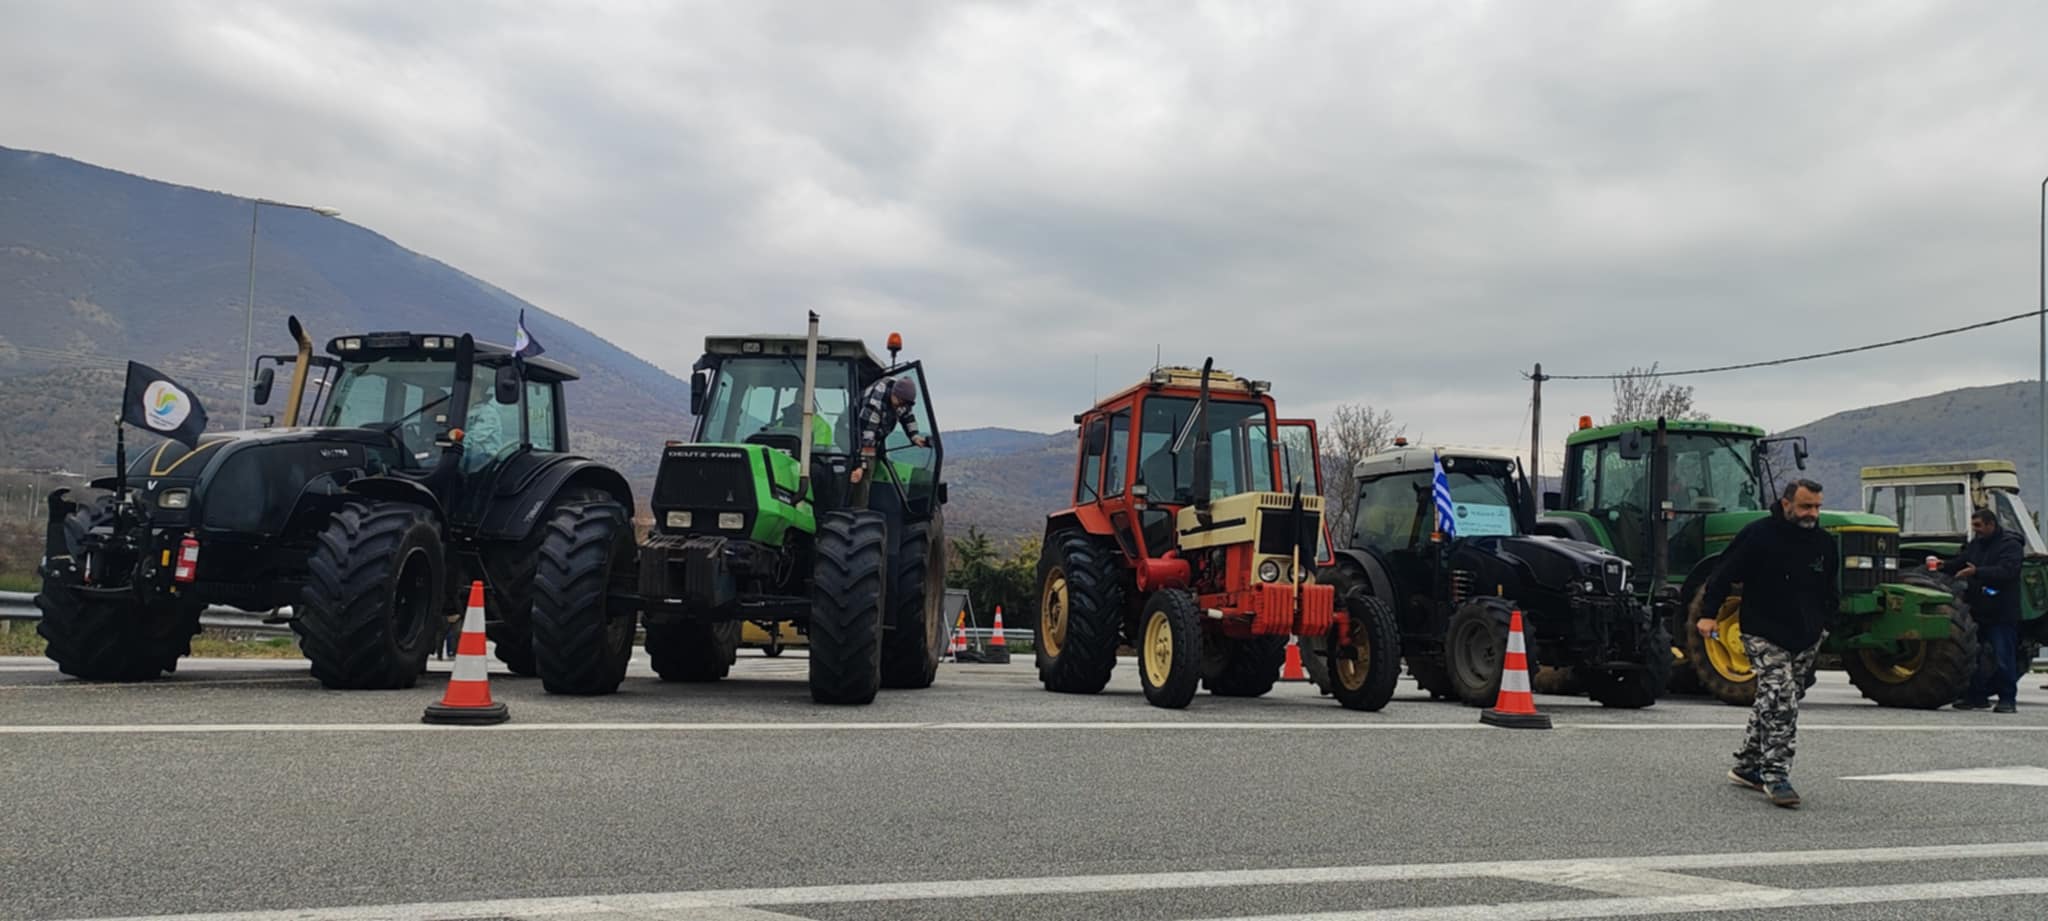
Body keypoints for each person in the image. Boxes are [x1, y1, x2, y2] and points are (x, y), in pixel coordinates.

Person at [1699, 478, 1837, 809]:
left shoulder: (1824, 543)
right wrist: (1707, 614)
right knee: (1782, 698)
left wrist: (1827, 626)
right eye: (1805, 506)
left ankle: (1747, 765)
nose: (1812, 513)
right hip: (1762, 630)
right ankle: (1775, 776)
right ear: (1787, 503)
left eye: (1817, 507)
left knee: (1774, 698)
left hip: (1806, 635)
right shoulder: (1758, 534)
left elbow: (1829, 588)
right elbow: (1722, 573)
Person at [1944, 508, 2024, 713]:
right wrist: (1941, 565)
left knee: (2003, 656)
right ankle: (1975, 697)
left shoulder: (2010, 546)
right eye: (1974, 526)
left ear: (1991, 524)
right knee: (1973, 656)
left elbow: (2008, 571)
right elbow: (1960, 562)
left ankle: (2007, 699)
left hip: (2001, 612)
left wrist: (1977, 572)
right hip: (1978, 611)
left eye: (1979, 526)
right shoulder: (1976, 545)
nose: (1976, 530)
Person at [849, 376, 928, 506]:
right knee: (866, 472)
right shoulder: (875, 403)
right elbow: (866, 437)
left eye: (904, 404)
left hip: (874, 436)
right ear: (894, 394)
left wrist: (914, 436)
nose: (900, 407)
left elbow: (907, 416)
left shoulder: (902, 398)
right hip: (851, 431)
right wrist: (860, 466)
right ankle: (858, 511)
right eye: (900, 403)